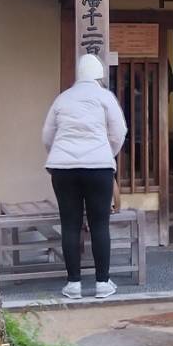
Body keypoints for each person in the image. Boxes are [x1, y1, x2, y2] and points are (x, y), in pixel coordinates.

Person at [42, 53, 127, 299]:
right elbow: (119, 131)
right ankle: (102, 283)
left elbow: (47, 135)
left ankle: (73, 284)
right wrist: (106, 153)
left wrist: (58, 155)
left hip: (63, 169)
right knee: (100, 223)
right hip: (98, 168)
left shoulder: (62, 99)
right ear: (99, 76)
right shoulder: (105, 97)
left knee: (70, 224)